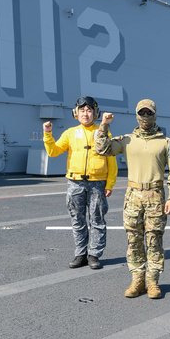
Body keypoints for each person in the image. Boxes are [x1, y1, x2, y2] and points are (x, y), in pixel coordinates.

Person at [94, 99, 170, 299]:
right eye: (142, 113)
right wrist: (104, 125)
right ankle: (137, 279)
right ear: (136, 115)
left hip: (155, 195)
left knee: (154, 240)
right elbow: (102, 149)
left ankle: (152, 281)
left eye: (148, 113)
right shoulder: (127, 140)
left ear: (155, 114)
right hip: (133, 196)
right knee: (133, 240)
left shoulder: (165, 142)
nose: (145, 117)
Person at [43, 96, 117, 270]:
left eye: (89, 110)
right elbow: (53, 152)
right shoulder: (70, 133)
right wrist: (47, 134)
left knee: (97, 219)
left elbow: (111, 160)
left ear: (95, 113)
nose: (86, 113)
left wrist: (110, 183)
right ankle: (80, 254)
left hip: (97, 183)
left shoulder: (103, 131)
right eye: (82, 110)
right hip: (75, 183)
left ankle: (94, 255)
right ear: (76, 113)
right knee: (78, 220)